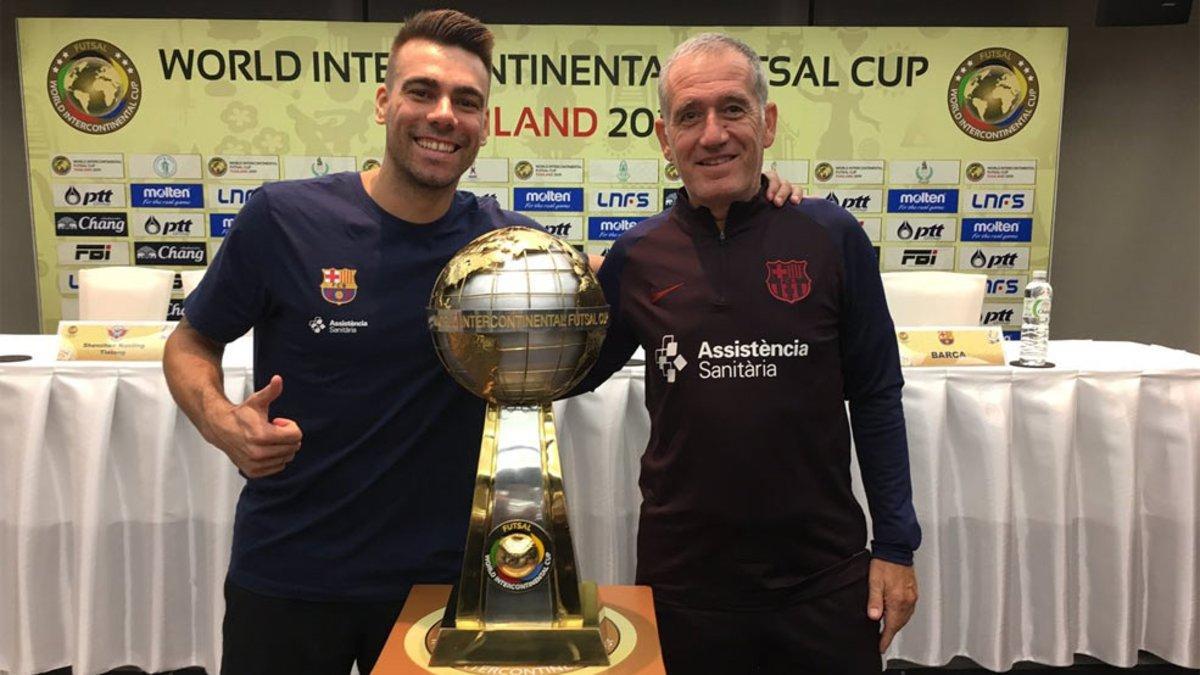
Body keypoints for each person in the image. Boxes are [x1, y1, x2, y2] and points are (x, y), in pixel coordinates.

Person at [163, 11, 803, 673]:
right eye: (422, 92)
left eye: (465, 101)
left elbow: (619, 294)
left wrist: (762, 204)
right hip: (290, 572)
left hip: (447, 587)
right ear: (384, 102)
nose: (443, 115)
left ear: (484, 124)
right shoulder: (283, 218)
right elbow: (189, 343)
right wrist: (222, 422)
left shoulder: (513, 253)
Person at [569, 33, 921, 674]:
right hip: (684, 585)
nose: (713, 135)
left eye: (733, 109)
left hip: (824, 577)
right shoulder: (637, 258)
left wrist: (896, 545)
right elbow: (569, 372)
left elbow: (875, 396)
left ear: (769, 121)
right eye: (689, 116)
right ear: (663, 137)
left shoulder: (831, 236)